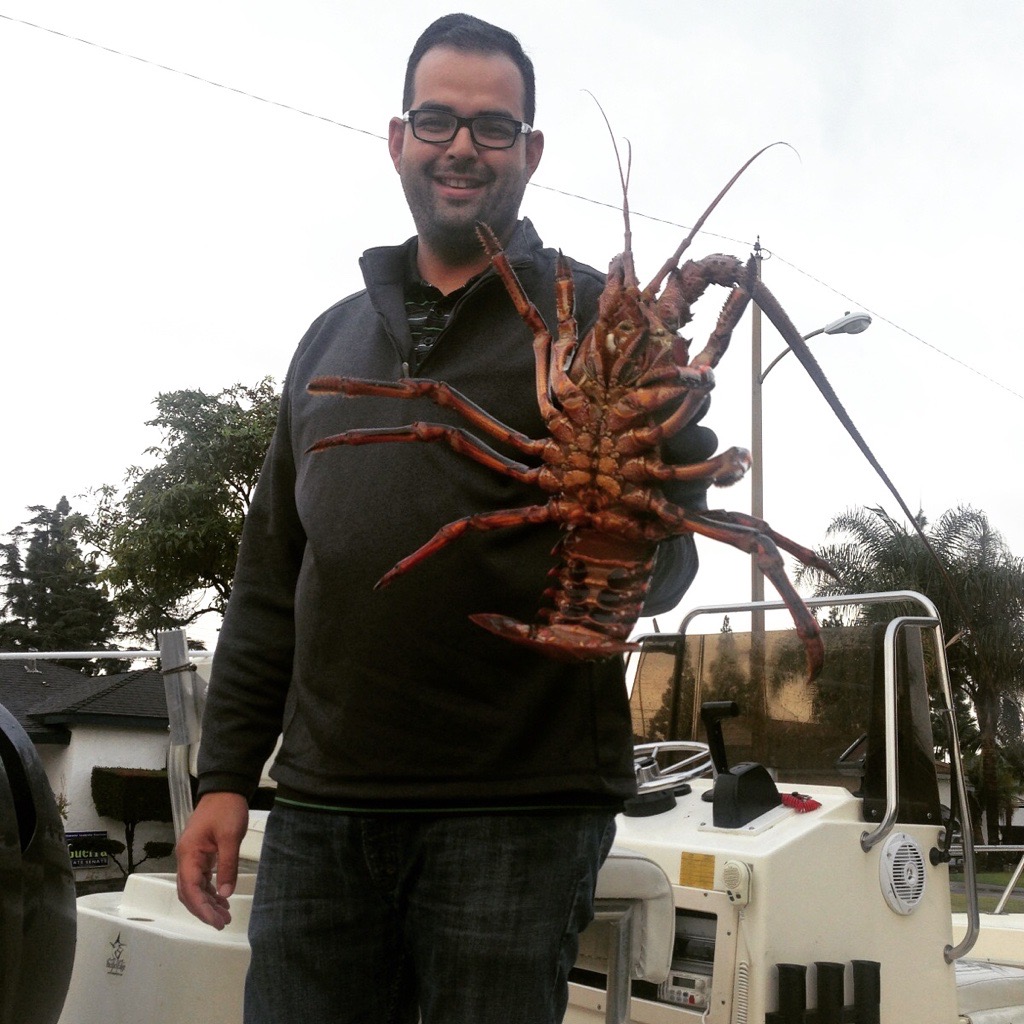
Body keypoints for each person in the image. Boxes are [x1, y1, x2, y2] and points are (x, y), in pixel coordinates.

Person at [176, 13, 715, 1024]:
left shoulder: (606, 315)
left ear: (529, 152)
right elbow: (269, 576)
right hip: (323, 807)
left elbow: (672, 571)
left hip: (518, 810)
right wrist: (225, 777)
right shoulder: (329, 338)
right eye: (437, 119)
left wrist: (677, 459)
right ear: (398, 139)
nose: (462, 144)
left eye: (493, 126)